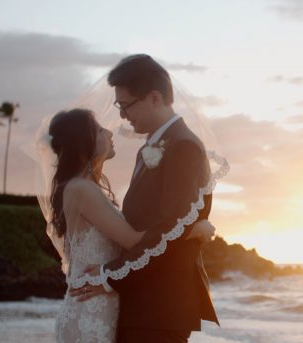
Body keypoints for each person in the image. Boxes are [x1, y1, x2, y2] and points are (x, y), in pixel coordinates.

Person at [68, 54, 221, 343]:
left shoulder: (184, 146)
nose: (122, 115)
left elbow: (169, 233)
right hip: (142, 304)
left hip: (160, 309)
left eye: (126, 105)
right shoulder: (150, 148)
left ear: (154, 98)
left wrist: (108, 275)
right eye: (119, 106)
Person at [45, 108, 215, 343]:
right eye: (98, 130)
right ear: (82, 142)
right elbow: (134, 240)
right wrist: (193, 229)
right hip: (90, 313)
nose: (109, 133)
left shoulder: (86, 188)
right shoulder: (81, 189)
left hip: (101, 307)